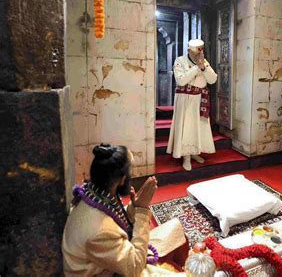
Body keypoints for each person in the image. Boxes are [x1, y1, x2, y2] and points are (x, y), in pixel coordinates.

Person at [62, 143, 188, 276]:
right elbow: (135, 267)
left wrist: (134, 207)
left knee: (176, 230)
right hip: (108, 272)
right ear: (122, 180)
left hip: (111, 258)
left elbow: (116, 220)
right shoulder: (100, 233)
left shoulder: (96, 194)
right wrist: (142, 210)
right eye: (130, 172)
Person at [167, 39, 218, 171]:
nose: (198, 56)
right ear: (189, 51)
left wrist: (202, 66)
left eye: (200, 53)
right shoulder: (180, 61)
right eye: (196, 54)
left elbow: (212, 79)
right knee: (187, 128)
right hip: (186, 100)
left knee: (199, 128)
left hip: (200, 99)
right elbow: (181, 80)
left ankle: (195, 152)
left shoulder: (203, 62)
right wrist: (196, 68)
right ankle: (186, 157)